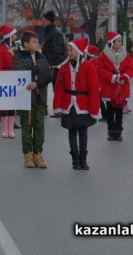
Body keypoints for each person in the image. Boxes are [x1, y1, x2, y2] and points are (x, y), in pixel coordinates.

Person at [53, 38, 100, 170]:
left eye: (71, 50)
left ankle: (83, 159)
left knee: (83, 132)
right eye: (68, 50)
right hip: (69, 105)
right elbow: (59, 88)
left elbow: (94, 90)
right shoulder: (64, 67)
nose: (68, 52)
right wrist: (57, 106)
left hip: (83, 105)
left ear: (79, 51)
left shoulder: (88, 66)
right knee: (72, 132)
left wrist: (93, 109)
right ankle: (75, 160)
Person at [13, 31, 52, 168]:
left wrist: (37, 83)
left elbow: (48, 75)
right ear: (26, 44)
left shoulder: (42, 57)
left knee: (39, 128)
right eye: (34, 42)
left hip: (40, 97)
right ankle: (28, 155)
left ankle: (38, 154)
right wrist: (34, 70)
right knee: (26, 127)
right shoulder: (18, 57)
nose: (37, 44)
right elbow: (20, 74)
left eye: (37, 42)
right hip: (26, 99)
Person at [97, 31, 133, 141]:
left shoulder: (125, 54)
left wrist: (124, 77)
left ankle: (118, 130)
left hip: (122, 86)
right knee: (110, 111)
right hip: (109, 86)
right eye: (118, 41)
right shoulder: (103, 55)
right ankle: (111, 130)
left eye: (121, 41)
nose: (120, 43)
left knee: (119, 110)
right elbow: (100, 69)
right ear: (112, 42)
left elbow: (130, 68)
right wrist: (113, 78)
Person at [0, 25, 20, 137]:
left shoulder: (16, 46)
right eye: (14, 34)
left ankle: (11, 129)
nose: (16, 36)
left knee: (12, 102)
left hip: (14, 75)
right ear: (9, 36)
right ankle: (4, 129)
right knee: (4, 103)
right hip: (4, 75)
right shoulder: (0, 47)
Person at [41, 11, 65, 116]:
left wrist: (49, 63)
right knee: (44, 85)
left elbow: (57, 49)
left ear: (48, 21)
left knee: (57, 87)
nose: (41, 23)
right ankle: (44, 107)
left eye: (43, 20)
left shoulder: (55, 32)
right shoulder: (50, 31)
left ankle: (60, 109)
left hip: (54, 65)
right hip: (50, 63)